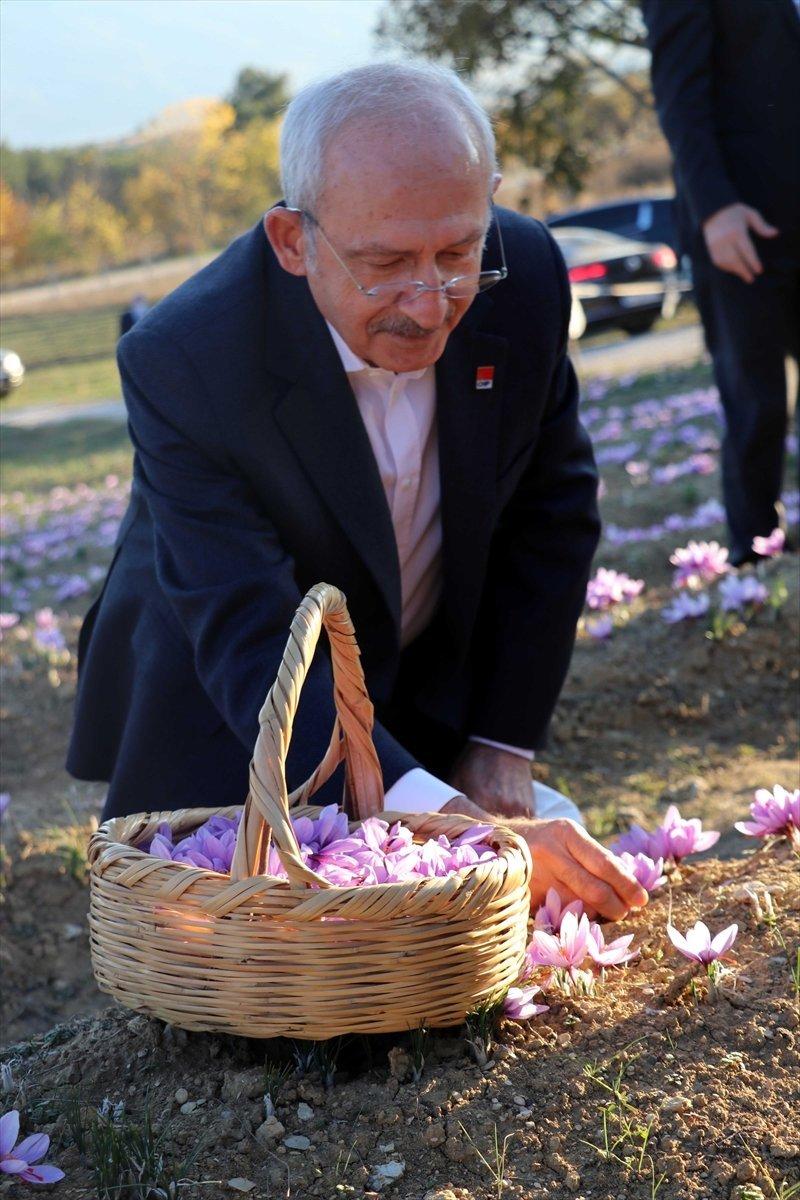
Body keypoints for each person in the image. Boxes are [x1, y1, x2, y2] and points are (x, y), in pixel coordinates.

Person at [67, 63, 647, 919]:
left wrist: (497, 745)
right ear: (294, 241)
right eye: (383, 264)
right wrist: (451, 821)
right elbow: (250, 629)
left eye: (456, 252)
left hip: (405, 675)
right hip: (225, 702)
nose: (427, 302)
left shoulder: (522, 275)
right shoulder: (188, 359)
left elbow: (550, 516)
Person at [641, 0, 800, 566]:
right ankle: (755, 555)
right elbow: (679, 93)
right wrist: (715, 208)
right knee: (756, 400)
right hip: (740, 224)